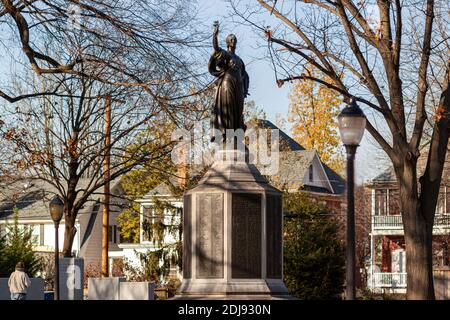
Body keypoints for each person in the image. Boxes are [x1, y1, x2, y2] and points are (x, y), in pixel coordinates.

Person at [209, 21, 249, 144]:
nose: (233, 41)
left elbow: (245, 75)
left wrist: (245, 89)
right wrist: (215, 35)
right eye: (231, 39)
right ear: (227, 42)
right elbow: (216, 49)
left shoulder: (239, 59)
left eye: (234, 39)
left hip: (239, 86)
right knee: (229, 108)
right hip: (227, 83)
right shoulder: (225, 54)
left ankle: (237, 136)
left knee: (239, 109)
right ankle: (228, 137)